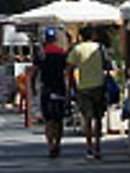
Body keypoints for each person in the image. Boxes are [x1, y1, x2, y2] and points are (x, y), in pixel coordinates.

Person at [67, 25, 107, 160]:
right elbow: (106, 65)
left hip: (83, 87)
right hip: (99, 85)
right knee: (99, 118)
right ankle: (98, 146)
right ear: (94, 35)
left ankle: (89, 147)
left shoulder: (77, 49)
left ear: (81, 37)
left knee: (87, 119)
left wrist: (71, 84)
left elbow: (69, 68)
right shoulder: (100, 48)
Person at [36, 27, 69, 158]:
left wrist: (32, 87)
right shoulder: (62, 54)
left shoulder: (41, 54)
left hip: (46, 88)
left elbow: (34, 71)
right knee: (59, 119)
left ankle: (50, 145)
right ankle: (58, 144)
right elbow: (66, 72)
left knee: (48, 119)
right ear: (55, 39)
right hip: (59, 88)